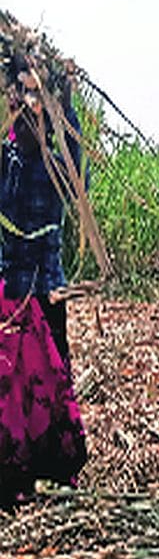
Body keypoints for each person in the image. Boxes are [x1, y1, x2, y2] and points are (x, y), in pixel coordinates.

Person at [0, 74, 87, 509]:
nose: (35, 131)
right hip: (12, 295)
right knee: (10, 388)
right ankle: (13, 475)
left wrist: (65, 102)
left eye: (41, 123)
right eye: (27, 122)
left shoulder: (57, 167)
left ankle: (52, 469)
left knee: (51, 383)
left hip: (48, 291)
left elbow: (78, 175)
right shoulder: (6, 161)